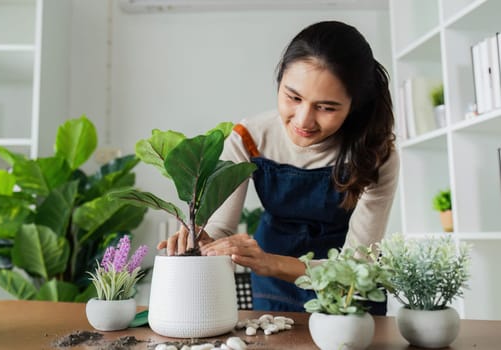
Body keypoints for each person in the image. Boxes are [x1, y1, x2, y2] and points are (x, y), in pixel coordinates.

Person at [157, 21, 399, 314]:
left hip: (348, 291)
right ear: (279, 80)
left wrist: (271, 262)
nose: (303, 120)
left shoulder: (376, 153)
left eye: (327, 107)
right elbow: (220, 227)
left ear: (354, 105)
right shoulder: (250, 138)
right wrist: (205, 241)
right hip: (274, 289)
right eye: (293, 97)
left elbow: (356, 267)